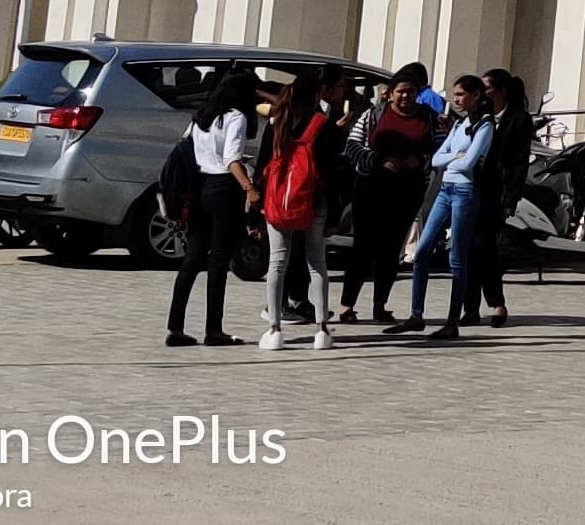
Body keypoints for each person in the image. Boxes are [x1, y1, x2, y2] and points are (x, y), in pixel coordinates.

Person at [336, 66, 437, 325]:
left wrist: (422, 161)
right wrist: (377, 160)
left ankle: (380, 305)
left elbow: (442, 148)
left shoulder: (430, 118)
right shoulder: (373, 115)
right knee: (363, 247)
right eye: (400, 92)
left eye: (411, 92)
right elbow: (352, 145)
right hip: (371, 188)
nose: (405, 97)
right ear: (390, 94)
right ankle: (347, 305)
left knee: (391, 249)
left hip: (407, 191)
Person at [165, 69, 258, 347]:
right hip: (223, 189)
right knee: (218, 261)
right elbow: (231, 158)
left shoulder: (201, 116)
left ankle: (175, 327)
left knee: (192, 259)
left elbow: (185, 148)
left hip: (199, 187)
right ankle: (213, 329)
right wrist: (249, 188)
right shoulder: (236, 118)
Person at [395, 76, 493, 341]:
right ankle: (416, 314)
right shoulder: (460, 124)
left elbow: (469, 163)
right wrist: (455, 156)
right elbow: (439, 158)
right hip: (445, 189)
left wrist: (457, 159)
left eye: (461, 94)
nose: (457, 100)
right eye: (455, 94)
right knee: (422, 249)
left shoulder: (484, 125)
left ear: (476, 95)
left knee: (457, 258)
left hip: (464, 192)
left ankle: (452, 321)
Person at [253, 77, 334, 351]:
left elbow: (263, 164)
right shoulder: (323, 125)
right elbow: (336, 170)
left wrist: (256, 203)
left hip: (278, 200)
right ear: (315, 97)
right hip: (315, 200)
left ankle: (274, 329)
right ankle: (322, 331)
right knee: (317, 263)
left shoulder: (277, 124)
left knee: (277, 263)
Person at [474, 67, 535, 327]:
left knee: (487, 249)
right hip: (472, 188)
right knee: (467, 250)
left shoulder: (518, 119)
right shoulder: (479, 116)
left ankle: (496, 302)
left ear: (501, 91)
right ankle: (468, 308)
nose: (482, 94)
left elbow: (520, 161)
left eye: (486, 89)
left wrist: (511, 197)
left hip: (497, 192)